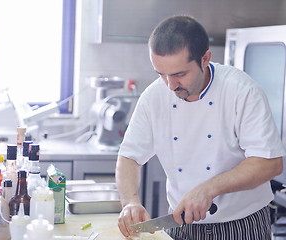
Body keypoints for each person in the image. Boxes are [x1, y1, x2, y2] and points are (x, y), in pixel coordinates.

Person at [116, 15, 285, 240]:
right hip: (181, 223)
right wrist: (130, 202)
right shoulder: (154, 96)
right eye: (161, 74)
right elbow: (129, 156)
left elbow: (270, 163)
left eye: (179, 74)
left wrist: (208, 189)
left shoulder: (241, 91)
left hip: (242, 226)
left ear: (205, 59)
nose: (170, 85)